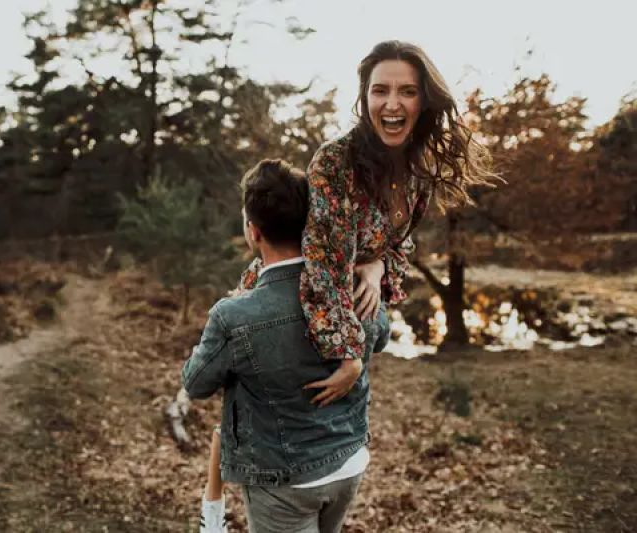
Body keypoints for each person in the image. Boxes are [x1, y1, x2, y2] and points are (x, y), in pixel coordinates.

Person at [194, 39, 498, 531]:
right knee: (264, 392)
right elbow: (325, 267)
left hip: (346, 306)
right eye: (380, 91)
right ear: (364, 96)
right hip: (303, 292)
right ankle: (225, 500)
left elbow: (399, 247)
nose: (392, 104)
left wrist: (378, 265)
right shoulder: (334, 164)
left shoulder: (417, 173)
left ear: (424, 100)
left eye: (406, 92)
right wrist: (351, 354)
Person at [183, 159, 390, 533]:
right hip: (348, 462)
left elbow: (195, 384)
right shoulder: (350, 288)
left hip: (283, 481)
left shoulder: (234, 315)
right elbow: (381, 335)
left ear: (254, 231)